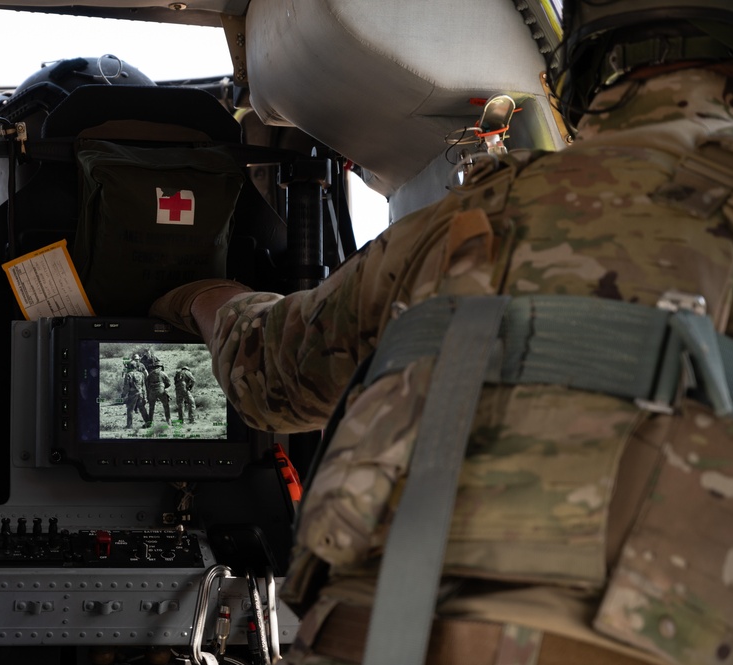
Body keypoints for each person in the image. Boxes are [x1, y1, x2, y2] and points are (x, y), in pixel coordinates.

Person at [151, 2, 733, 664]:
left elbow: (272, 375)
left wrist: (201, 296)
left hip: (378, 638)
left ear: (583, 68)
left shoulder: (469, 211)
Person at [121, 360, 150, 429]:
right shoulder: (141, 374)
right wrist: (145, 396)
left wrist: (123, 394)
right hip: (140, 393)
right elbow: (143, 386)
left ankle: (129, 425)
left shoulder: (129, 374)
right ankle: (148, 423)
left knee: (130, 410)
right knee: (142, 409)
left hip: (132, 394)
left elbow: (126, 386)